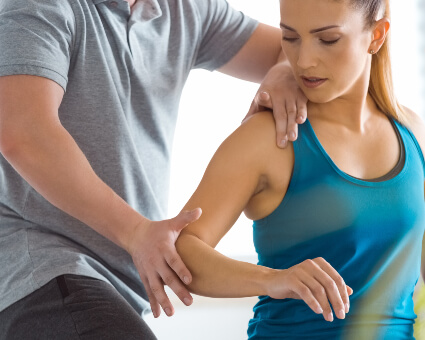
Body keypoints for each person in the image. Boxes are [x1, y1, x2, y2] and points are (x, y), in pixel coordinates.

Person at [0, 0, 308, 338]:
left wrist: (280, 71)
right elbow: (23, 132)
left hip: (113, 283)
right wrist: (136, 232)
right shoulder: (41, 6)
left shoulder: (184, 10)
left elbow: (297, 49)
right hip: (37, 267)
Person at [175, 0, 425, 339]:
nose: (304, 61)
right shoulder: (267, 139)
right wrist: (274, 279)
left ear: (376, 36)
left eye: (328, 39)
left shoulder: (413, 133)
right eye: (290, 38)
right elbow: (182, 250)